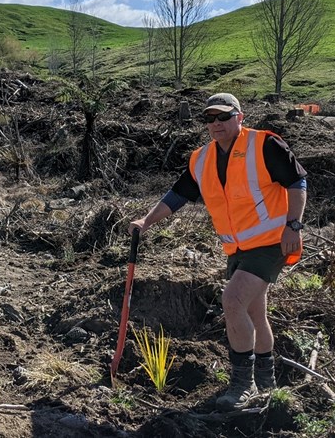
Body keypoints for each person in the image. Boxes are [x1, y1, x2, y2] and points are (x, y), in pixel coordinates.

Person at [129, 93, 307, 411]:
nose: (215, 124)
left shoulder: (264, 145)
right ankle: (267, 384)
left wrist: (293, 225)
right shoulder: (201, 159)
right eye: (209, 118)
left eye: (222, 117)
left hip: (271, 243)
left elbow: (297, 182)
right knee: (254, 313)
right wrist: (147, 221)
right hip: (238, 248)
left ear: (240, 116)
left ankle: (243, 385)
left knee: (232, 300)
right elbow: (178, 195)